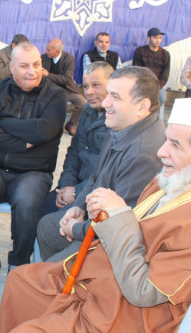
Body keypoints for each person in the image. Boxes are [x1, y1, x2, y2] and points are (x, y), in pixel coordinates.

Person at [0, 97, 191, 333]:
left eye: (175, 145)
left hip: (129, 313)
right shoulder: (175, 179)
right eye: (166, 140)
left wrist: (118, 215)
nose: (161, 152)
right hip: (107, 280)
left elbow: (144, 292)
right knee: (19, 282)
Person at [0, 42, 67, 291]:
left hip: (34, 171)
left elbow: (44, 131)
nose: (32, 71)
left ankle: (19, 263)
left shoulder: (56, 94)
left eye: (37, 65)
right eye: (24, 66)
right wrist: (24, 143)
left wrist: (4, 123)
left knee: (27, 202)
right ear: (11, 67)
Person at [37, 66, 166, 262]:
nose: (105, 103)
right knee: (47, 226)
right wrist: (79, 207)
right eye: (108, 94)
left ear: (142, 106)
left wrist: (76, 229)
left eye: (115, 97)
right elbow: (97, 176)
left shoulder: (142, 156)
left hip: (111, 247)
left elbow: (118, 223)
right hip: (95, 221)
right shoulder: (121, 126)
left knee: (40, 274)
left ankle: (60, 277)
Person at [41, 62, 113, 216]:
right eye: (85, 86)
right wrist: (66, 184)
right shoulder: (87, 110)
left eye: (96, 85)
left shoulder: (117, 118)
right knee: (42, 206)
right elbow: (74, 151)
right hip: (75, 185)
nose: (89, 92)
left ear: (112, 84)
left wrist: (76, 192)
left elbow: (109, 172)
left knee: (53, 222)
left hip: (97, 194)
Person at [41, 38, 85, 135]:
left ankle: (71, 124)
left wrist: (48, 75)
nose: (46, 51)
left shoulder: (69, 59)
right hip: (49, 89)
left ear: (57, 51)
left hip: (66, 89)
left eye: (49, 50)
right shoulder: (43, 58)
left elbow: (67, 79)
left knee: (82, 103)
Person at [133, 27, 170, 117]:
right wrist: (145, 85)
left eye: (160, 38)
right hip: (143, 84)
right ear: (149, 38)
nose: (158, 40)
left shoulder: (165, 54)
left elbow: (165, 74)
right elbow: (137, 71)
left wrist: (156, 86)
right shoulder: (140, 51)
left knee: (162, 96)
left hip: (157, 85)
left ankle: (150, 115)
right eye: (155, 37)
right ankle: (142, 115)